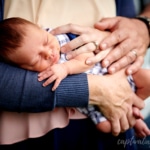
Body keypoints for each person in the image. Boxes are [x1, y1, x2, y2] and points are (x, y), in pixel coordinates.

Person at [0, 0, 149, 149]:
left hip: (114, 68)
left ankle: (132, 107)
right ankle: (132, 115)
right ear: (25, 67)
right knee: (106, 127)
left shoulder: (62, 41)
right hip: (71, 108)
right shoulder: (39, 67)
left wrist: (143, 25)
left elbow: (87, 60)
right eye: (36, 60)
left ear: (43, 30)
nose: (48, 53)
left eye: (46, 41)